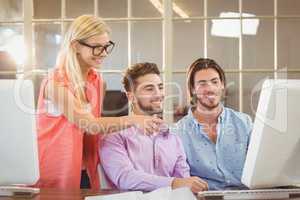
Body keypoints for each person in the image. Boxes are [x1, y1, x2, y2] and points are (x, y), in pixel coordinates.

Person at [36, 15, 162, 189]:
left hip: (85, 170)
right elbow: (89, 124)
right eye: (96, 48)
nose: (103, 53)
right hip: (54, 172)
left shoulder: (97, 81)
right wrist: (134, 120)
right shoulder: (55, 83)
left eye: (106, 47)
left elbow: (97, 129)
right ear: (75, 46)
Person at [100, 62, 208, 193]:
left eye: (160, 87)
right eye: (149, 89)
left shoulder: (173, 138)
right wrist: (174, 183)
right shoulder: (113, 137)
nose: (158, 94)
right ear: (131, 96)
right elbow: (124, 178)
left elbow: (184, 183)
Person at [174, 58, 253, 190]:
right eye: (202, 84)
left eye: (214, 82)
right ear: (193, 89)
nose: (210, 88)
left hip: (246, 195)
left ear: (222, 85)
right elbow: (181, 178)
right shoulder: (179, 132)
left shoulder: (244, 123)